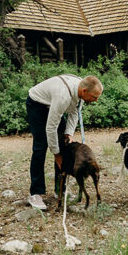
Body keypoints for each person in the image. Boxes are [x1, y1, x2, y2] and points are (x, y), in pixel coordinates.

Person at [25, 74, 103, 210]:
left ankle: (59, 189)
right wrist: (56, 154)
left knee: (63, 145)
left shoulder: (81, 89)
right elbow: (51, 128)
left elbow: (75, 113)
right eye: (94, 97)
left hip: (53, 104)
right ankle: (35, 193)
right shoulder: (63, 97)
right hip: (37, 105)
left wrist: (69, 133)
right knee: (40, 146)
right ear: (84, 91)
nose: (96, 100)